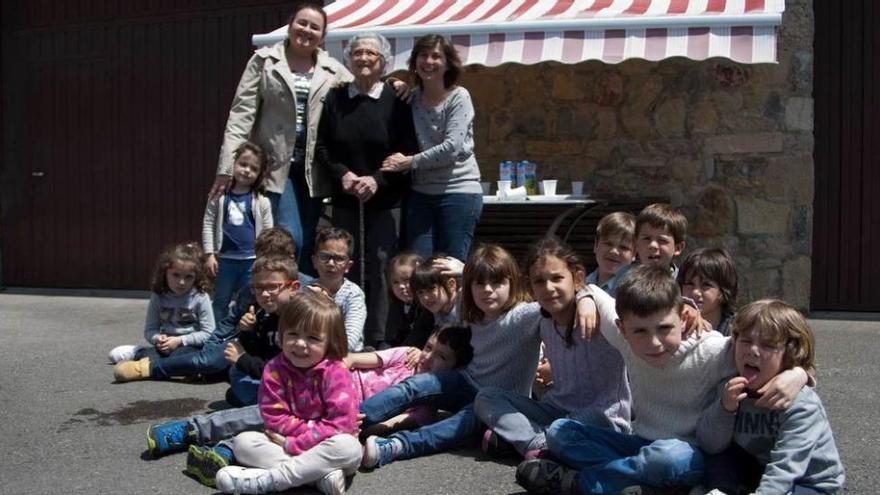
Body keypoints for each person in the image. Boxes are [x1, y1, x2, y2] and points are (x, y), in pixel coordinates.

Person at [515, 266, 811, 495]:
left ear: (683, 319)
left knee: (669, 458)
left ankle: (584, 483)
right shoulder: (623, 338)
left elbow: (767, 354)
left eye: (665, 328)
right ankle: (641, 482)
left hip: (688, 453)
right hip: (638, 443)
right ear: (622, 328)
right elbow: (590, 287)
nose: (654, 343)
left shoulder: (713, 349)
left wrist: (799, 374)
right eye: (640, 331)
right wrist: (586, 300)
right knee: (560, 432)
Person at [146, 326, 472, 488]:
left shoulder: (426, 408)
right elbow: (354, 360)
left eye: (441, 357)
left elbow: (387, 426)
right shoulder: (404, 355)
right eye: (429, 347)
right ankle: (193, 429)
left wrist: (362, 426)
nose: (428, 357)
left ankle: (225, 452)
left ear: (455, 370)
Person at [359, 245, 595, 468]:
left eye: (497, 282)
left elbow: (568, 294)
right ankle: (348, 420)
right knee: (417, 385)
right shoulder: (469, 307)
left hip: (500, 403)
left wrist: (585, 297)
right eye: (479, 283)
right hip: (466, 383)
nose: (488, 290)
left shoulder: (527, 315)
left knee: (461, 422)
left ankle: (397, 446)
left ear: (512, 284)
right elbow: (459, 285)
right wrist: (466, 270)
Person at [211, 1, 350, 277]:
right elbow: (241, 115)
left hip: (314, 170)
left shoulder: (333, 69)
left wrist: (395, 83)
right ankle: (283, 297)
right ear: (290, 25)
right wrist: (227, 168)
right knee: (291, 239)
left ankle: (299, 308)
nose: (306, 30)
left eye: (315, 27)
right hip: (276, 167)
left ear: (322, 36)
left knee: (309, 240)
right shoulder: (264, 61)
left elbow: (363, 89)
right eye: (302, 23)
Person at [475, 237, 631, 460]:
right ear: (531, 287)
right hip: (556, 409)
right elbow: (499, 323)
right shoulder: (542, 320)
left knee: (558, 429)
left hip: (602, 415)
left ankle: (528, 440)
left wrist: (588, 294)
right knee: (486, 397)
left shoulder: (596, 310)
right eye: (539, 281)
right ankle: (536, 443)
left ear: (576, 278)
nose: (548, 288)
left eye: (557, 278)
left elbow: (625, 311)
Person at [314, 32, 418, 348]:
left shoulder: (396, 100)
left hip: (386, 197)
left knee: (385, 263)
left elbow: (407, 149)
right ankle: (341, 332)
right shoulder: (335, 98)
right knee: (344, 262)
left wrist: (376, 178)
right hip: (347, 197)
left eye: (370, 53)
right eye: (357, 52)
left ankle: (381, 336)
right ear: (349, 60)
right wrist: (343, 175)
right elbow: (323, 147)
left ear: (383, 61)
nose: (363, 58)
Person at [213, 291, 360, 495]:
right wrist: (299, 441)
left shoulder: (337, 372)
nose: (300, 343)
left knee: (349, 447)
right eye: (293, 334)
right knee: (244, 442)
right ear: (282, 334)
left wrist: (294, 443)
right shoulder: (273, 369)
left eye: (313, 338)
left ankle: (269, 481)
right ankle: (316, 477)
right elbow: (274, 418)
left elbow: (341, 425)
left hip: (318, 445)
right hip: (290, 445)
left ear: (330, 342)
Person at [111, 229, 296, 383]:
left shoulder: (303, 292)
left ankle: (149, 359)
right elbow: (229, 323)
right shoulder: (251, 289)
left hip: (277, 360)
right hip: (248, 348)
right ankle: (149, 366)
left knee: (233, 384)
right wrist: (243, 330)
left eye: (274, 264)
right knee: (207, 360)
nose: (266, 269)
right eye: (261, 261)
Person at [700, 300, 845, 494]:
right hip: (757, 469)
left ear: (790, 352)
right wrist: (725, 408)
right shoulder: (730, 385)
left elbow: (785, 469)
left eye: (768, 345)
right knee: (718, 457)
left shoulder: (800, 404)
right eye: (746, 341)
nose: (753, 350)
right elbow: (709, 445)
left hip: (806, 482)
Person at [381, 34, 483, 263]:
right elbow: (379, 88)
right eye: (423, 55)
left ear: (448, 63)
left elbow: (451, 149)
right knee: (418, 266)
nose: (428, 61)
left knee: (450, 266)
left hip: (458, 192)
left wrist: (408, 162)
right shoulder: (412, 97)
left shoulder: (459, 97)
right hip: (421, 195)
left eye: (436, 56)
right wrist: (393, 83)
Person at [110, 243, 215, 378]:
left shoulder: (200, 297)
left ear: (196, 277)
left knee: (191, 357)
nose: (181, 282)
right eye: (176, 275)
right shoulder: (159, 296)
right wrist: (157, 339)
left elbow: (209, 333)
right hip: (164, 347)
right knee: (118, 354)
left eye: (188, 277)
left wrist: (179, 341)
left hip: (190, 346)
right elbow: (150, 329)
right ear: (165, 273)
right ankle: (138, 352)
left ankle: (149, 362)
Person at [203, 141, 273, 320]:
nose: (247, 170)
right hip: (225, 260)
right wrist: (209, 254)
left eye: (253, 168)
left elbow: (268, 232)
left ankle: (243, 334)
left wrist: (265, 257)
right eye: (243, 164)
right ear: (233, 164)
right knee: (220, 300)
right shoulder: (218, 196)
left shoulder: (261, 201)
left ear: (259, 174)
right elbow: (208, 224)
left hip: (251, 261)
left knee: (248, 300)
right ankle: (217, 336)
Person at [222, 256, 301, 407]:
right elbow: (258, 353)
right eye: (258, 288)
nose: (264, 294)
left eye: (272, 287)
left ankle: (267, 407)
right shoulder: (267, 316)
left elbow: (285, 371)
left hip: (294, 385)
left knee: (236, 378)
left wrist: (241, 359)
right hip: (271, 380)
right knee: (234, 379)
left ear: (294, 288)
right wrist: (247, 331)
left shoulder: (299, 321)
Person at [310, 227, 366, 352]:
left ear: (348, 266)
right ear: (314, 261)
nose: (330, 263)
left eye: (339, 258)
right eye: (324, 256)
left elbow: (349, 341)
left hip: (346, 356)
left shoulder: (353, 295)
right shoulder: (307, 290)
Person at [400, 253, 464, 349]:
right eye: (420, 292)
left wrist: (466, 270)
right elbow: (410, 345)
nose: (425, 297)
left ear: (451, 285)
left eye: (431, 289)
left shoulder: (468, 301)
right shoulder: (430, 313)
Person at [678, 247, 738, 336]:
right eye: (689, 284)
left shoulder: (738, 330)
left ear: (724, 290)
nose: (695, 292)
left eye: (706, 285)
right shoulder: (674, 324)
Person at [586, 212, 636, 297]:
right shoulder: (582, 284)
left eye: (623, 247)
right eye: (608, 244)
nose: (614, 251)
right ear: (596, 245)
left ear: (634, 254)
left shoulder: (633, 291)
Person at [382, 251, 424, 348]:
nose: (401, 286)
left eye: (406, 280)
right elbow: (394, 337)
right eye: (395, 282)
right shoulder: (398, 305)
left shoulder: (426, 307)